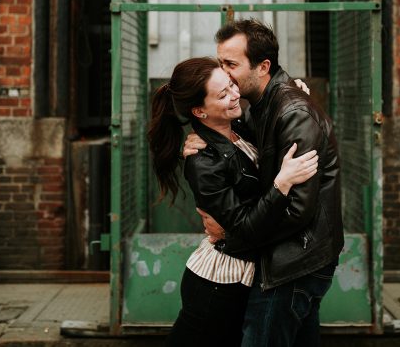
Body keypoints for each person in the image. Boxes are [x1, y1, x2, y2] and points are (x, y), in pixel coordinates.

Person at [187, 19, 344, 347]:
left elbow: (299, 209)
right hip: (294, 257)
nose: (224, 74)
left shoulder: (292, 114)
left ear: (263, 67)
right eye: (220, 63)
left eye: (231, 64)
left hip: (294, 262)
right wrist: (197, 141)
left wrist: (236, 235)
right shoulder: (260, 106)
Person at [147, 56, 320, 347]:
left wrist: (293, 93)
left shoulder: (239, 126)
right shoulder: (202, 163)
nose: (234, 95)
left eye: (231, 85)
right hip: (218, 283)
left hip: (245, 273)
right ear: (200, 111)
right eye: (222, 94)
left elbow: (268, 117)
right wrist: (283, 182)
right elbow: (244, 227)